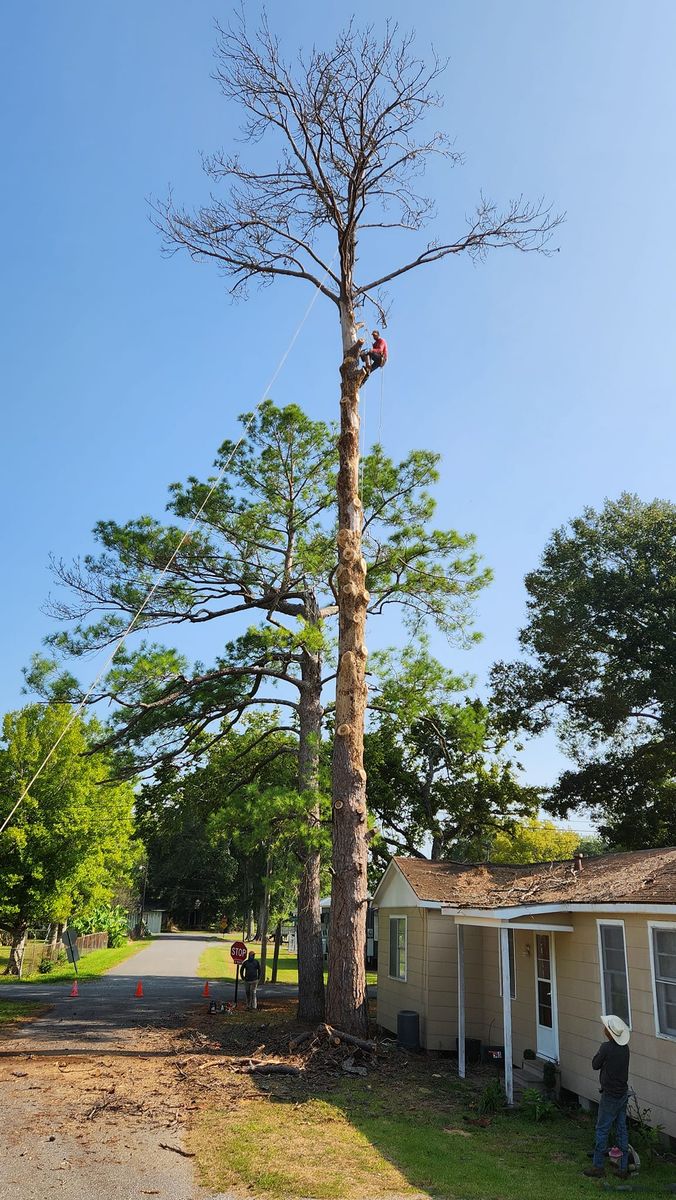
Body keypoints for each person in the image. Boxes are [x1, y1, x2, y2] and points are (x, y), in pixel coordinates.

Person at [583, 1014, 631, 1179]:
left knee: (602, 1129)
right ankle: (623, 1168)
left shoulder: (606, 1047)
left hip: (610, 1094)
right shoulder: (625, 1049)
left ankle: (598, 1167)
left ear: (609, 1032)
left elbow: (595, 1064)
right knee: (621, 1129)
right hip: (622, 1093)